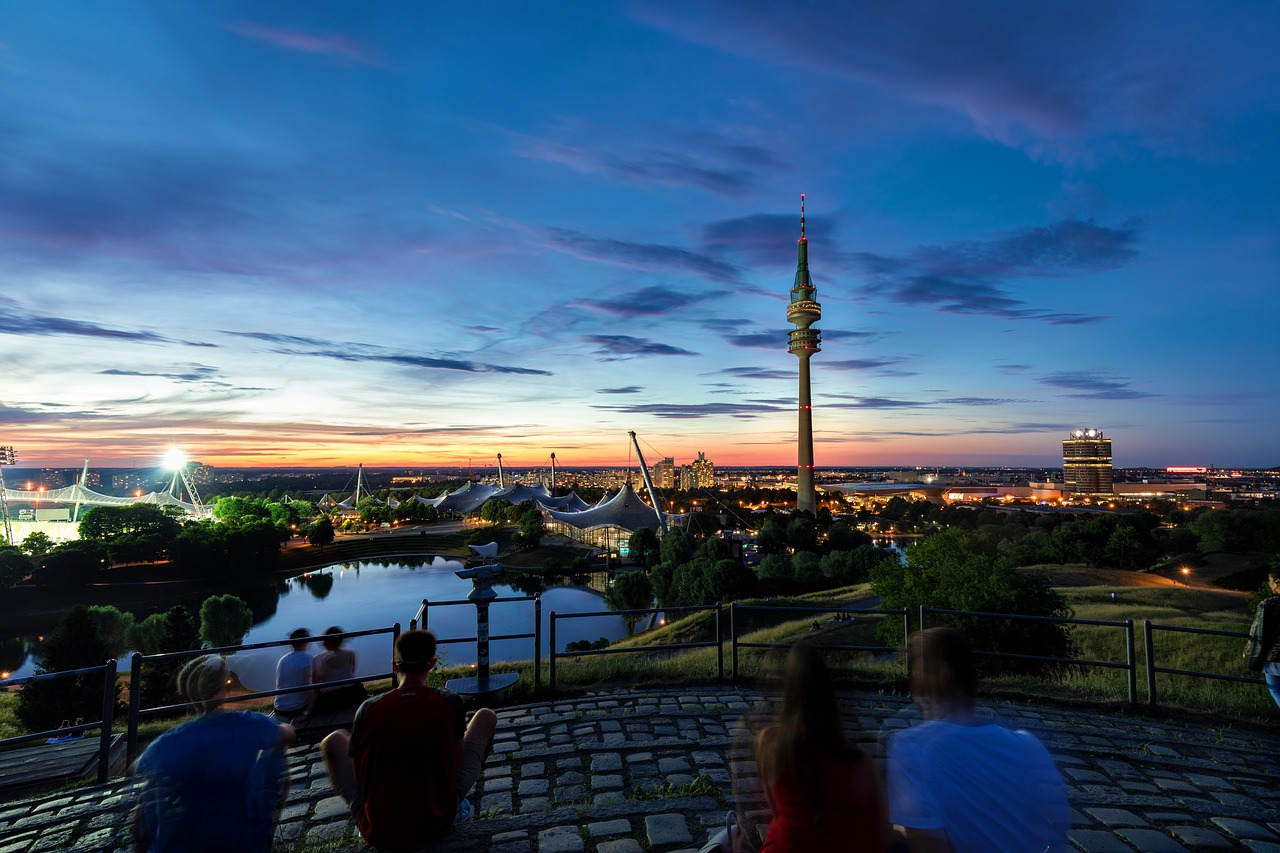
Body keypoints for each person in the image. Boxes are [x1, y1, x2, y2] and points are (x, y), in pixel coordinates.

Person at [887, 627, 1070, 853]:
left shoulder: (912, 746)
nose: (911, 683)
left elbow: (929, 848)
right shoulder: (1029, 745)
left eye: (914, 674)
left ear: (944, 673)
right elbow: (1057, 828)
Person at [321, 630, 497, 852]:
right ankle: (456, 806)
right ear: (432, 664)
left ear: (395, 666)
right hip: (436, 822)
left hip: (380, 831)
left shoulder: (368, 709)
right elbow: (453, 770)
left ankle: (372, 813)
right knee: (485, 717)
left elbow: (361, 779)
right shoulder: (449, 702)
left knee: (333, 740)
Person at [701, 641, 885, 853]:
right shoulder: (861, 763)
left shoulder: (770, 743)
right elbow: (875, 833)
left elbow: (775, 810)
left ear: (787, 690)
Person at [132, 655, 294, 852]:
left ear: (183, 697)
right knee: (277, 755)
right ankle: (266, 834)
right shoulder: (250, 723)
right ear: (226, 689)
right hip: (243, 843)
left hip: (180, 845)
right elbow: (287, 734)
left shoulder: (166, 742)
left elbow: (138, 766)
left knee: (151, 786)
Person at [311, 626, 368, 714]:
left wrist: (306, 712)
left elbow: (317, 686)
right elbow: (351, 673)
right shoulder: (351, 654)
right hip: (353, 694)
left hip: (333, 699)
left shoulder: (319, 659)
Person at [1246, 567, 1280, 709]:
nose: (1269, 584)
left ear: (1278, 581)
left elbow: (1258, 634)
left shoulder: (1268, 603)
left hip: (1275, 656)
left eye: (1270, 581)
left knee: (1275, 688)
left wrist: (1251, 655)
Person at [273, 628, 315, 722]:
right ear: (306, 642)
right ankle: (306, 714)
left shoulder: (283, 660)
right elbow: (316, 685)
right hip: (297, 709)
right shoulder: (308, 659)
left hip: (279, 708)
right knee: (319, 688)